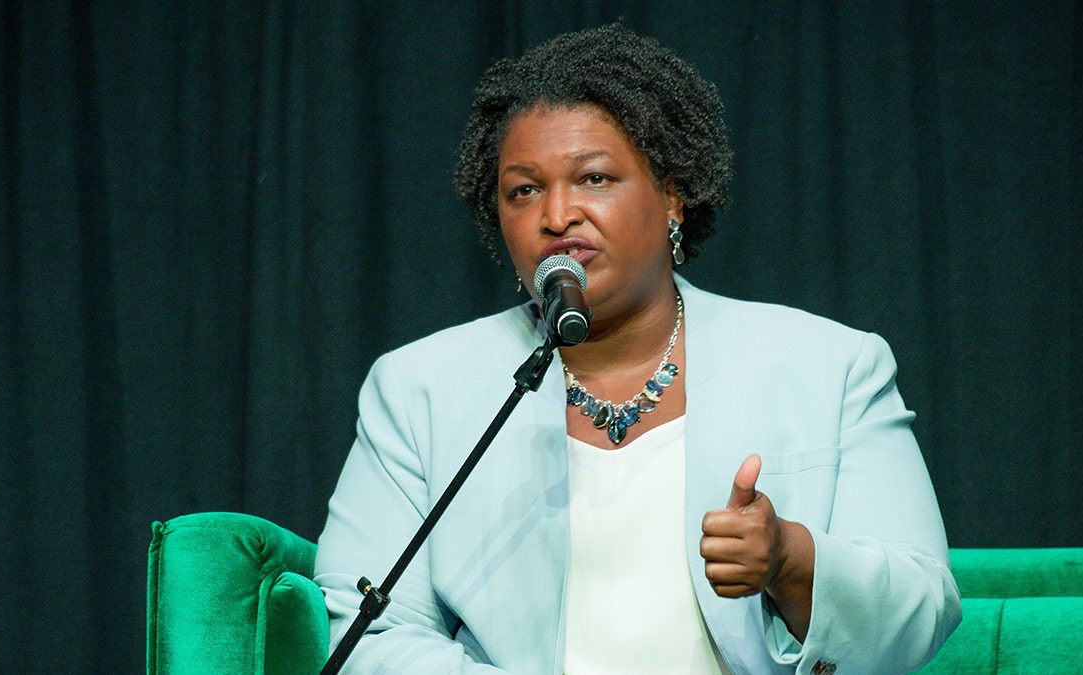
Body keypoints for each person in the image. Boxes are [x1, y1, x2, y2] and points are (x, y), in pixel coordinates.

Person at [314, 23, 961, 675]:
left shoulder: (831, 366)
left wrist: (788, 560)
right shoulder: (418, 389)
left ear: (672, 194)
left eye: (593, 178)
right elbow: (371, 634)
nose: (557, 214)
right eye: (523, 189)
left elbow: (921, 607)